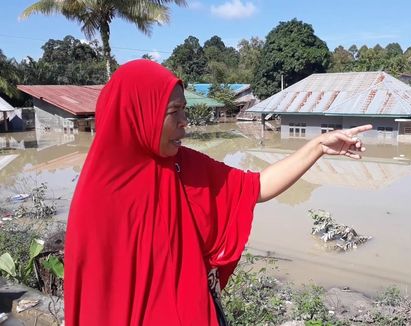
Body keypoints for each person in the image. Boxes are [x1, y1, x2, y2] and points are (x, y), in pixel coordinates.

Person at [64, 59, 372, 326]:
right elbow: (95, 302)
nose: (186, 122)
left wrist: (317, 147)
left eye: (185, 110)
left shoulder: (186, 166)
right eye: (174, 112)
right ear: (139, 114)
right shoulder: (99, 198)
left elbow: (257, 186)